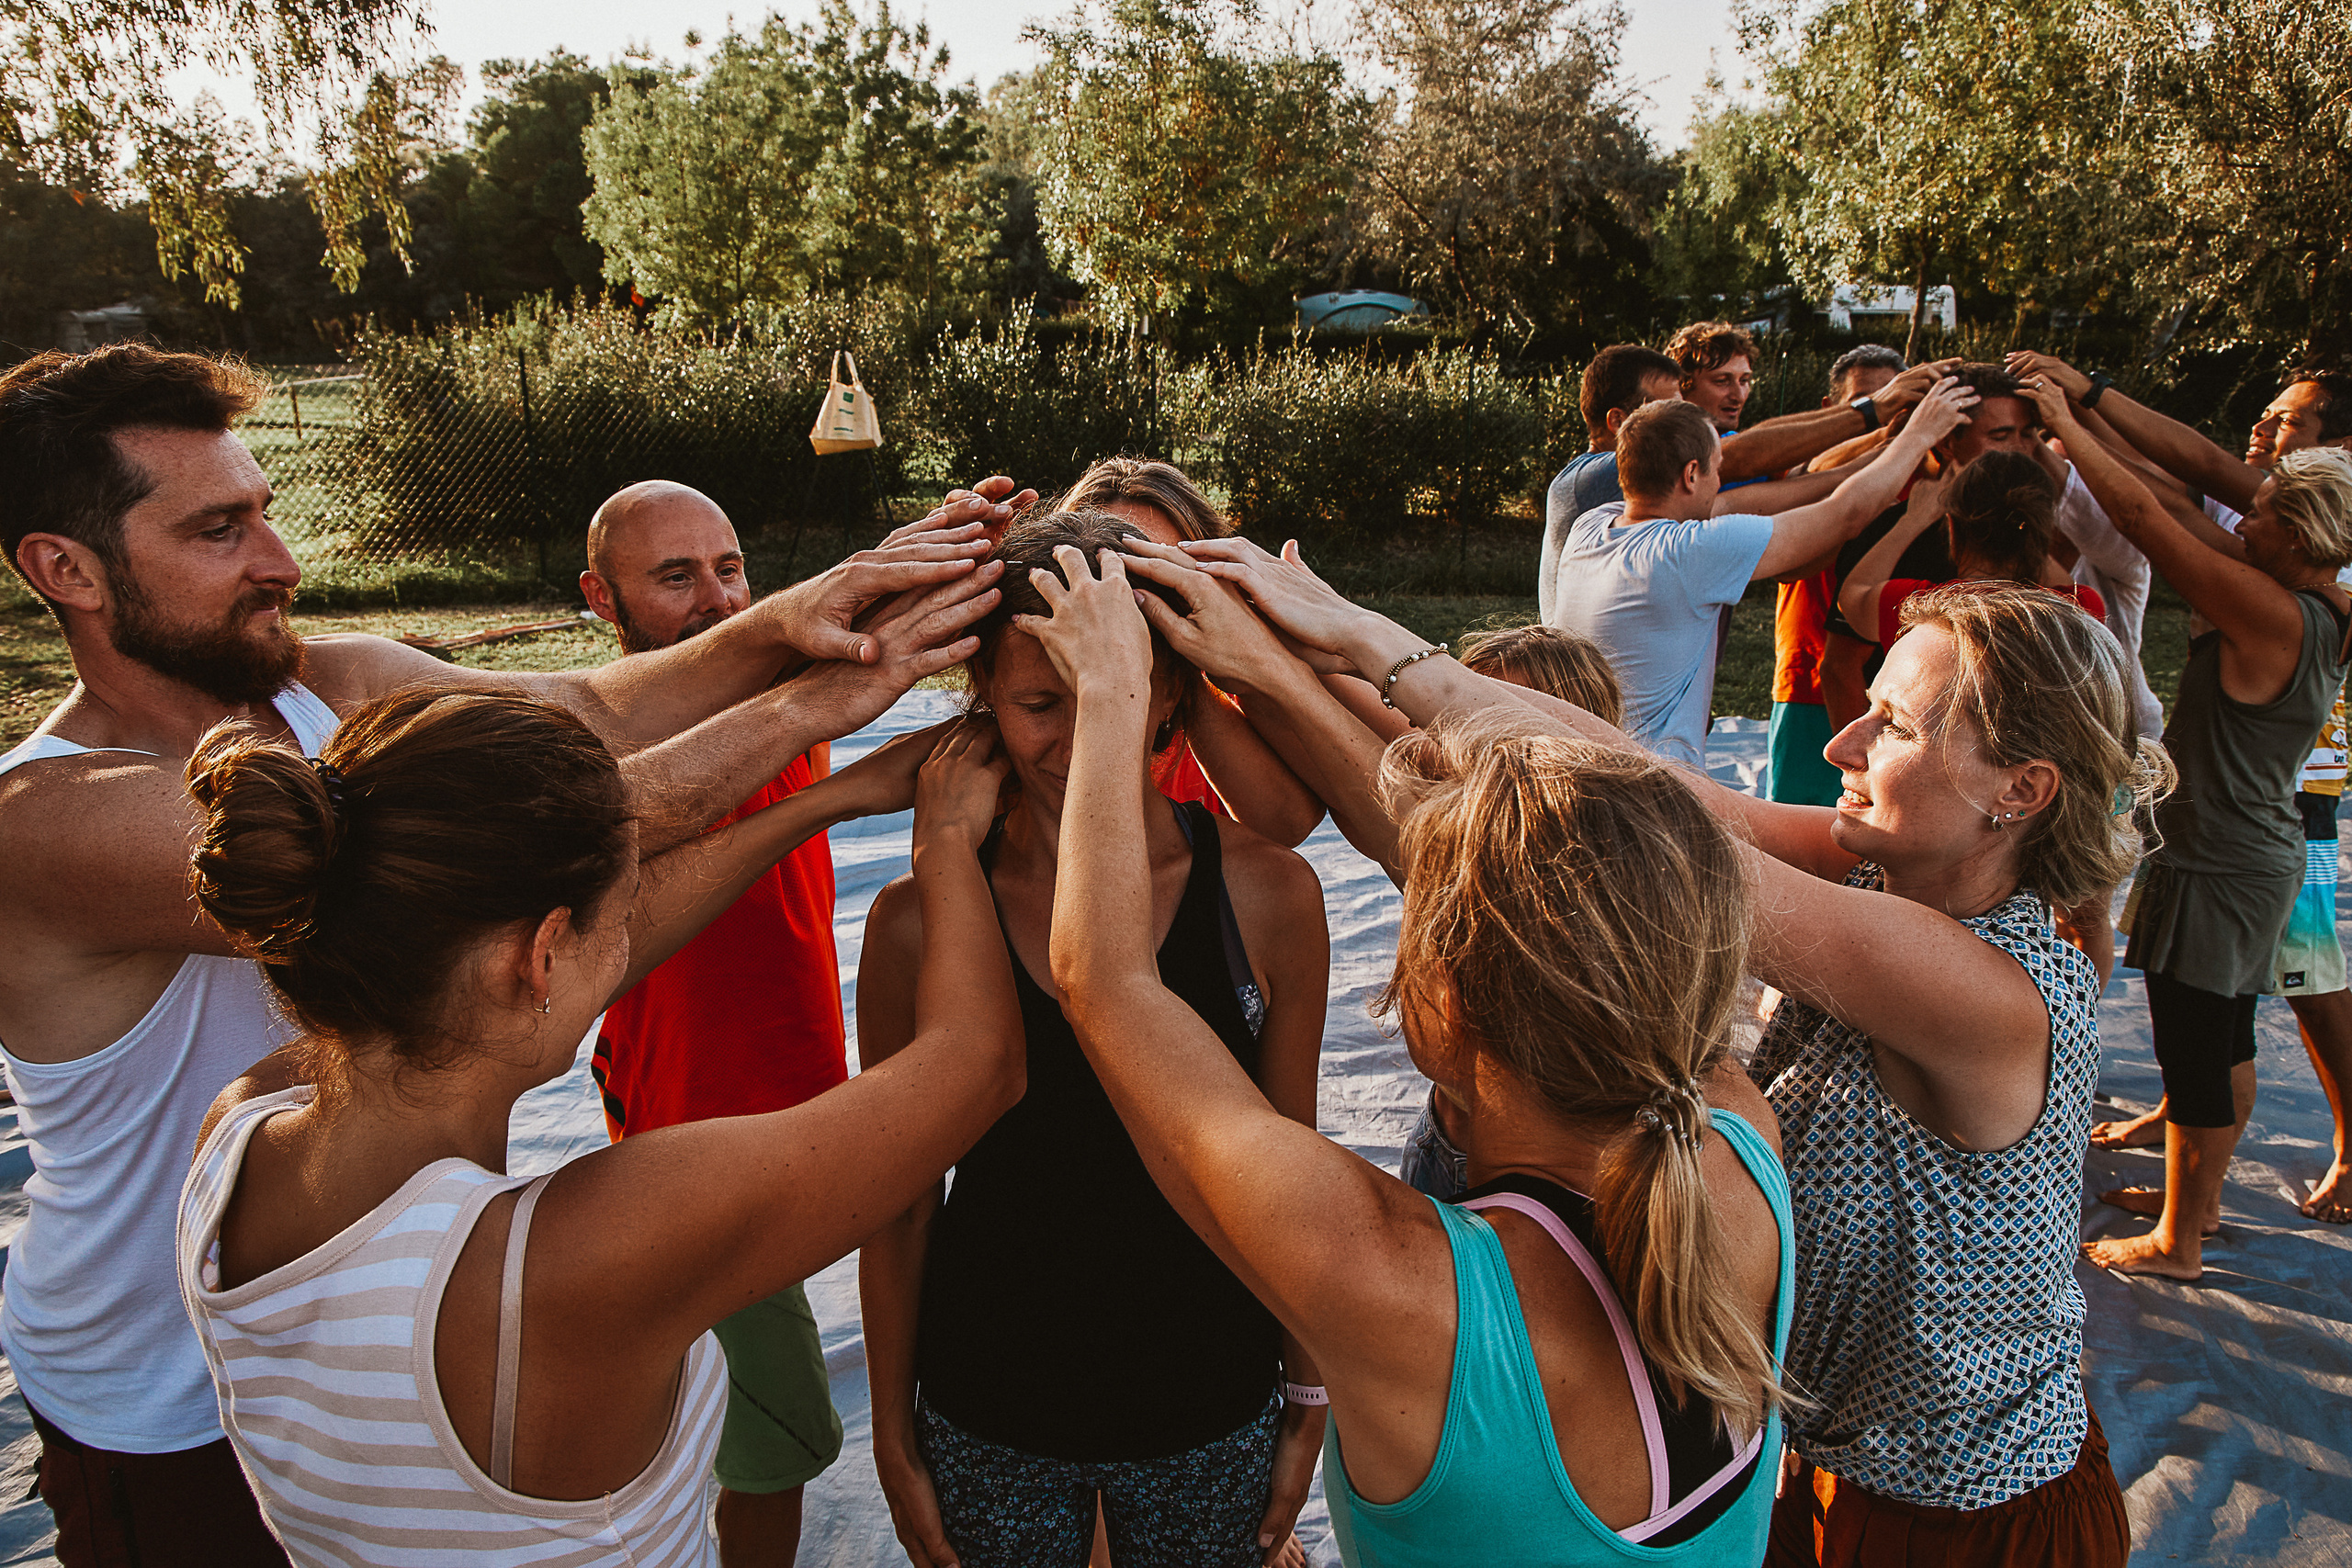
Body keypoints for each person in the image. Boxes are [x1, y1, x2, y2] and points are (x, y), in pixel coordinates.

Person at [0, 343, 1007, 1565]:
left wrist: (807, 613)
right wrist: (808, 716)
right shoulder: (48, 821)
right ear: (65, 568)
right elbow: (533, 840)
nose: (283, 562)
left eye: (266, 511)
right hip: (168, 1390)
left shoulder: (336, 690)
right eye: (220, 531)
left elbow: (598, 709)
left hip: (348, 1274)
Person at [1154, 538, 2151, 1565]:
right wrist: (1338, 644)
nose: (1844, 742)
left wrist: (1309, 658)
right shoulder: (1879, 877)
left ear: (2021, 790)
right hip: (1829, 1463)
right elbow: (1641, 781)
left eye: (1893, 725)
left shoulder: (1992, 994)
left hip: (1959, 1521)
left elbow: (1648, 834)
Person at [1019, 541, 1796, 1565]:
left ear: (1439, 1006)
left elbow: (1105, 981)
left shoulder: (1398, 1285)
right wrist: (1275, 671)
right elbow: (1571, 888)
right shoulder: (1738, 1138)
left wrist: (1111, 693)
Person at [174, 685, 1025, 1566]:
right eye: (619, 918)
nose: (633, 932)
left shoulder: (238, 1130)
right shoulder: (573, 1257)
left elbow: (500, 980)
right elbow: (977, 1065)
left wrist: (829, 799)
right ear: (539, 955)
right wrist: (947, 842)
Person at [858, 511, 1332, 1568]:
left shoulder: (1265, 895)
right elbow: (895, 1201)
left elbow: (1296, 1161)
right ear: (981, 699)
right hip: (992, 1406)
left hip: (1209, 1396)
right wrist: (892, 1431)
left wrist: (1307, 1389)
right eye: (1035, 703)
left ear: (1164, 690)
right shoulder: (914, 921)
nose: (1074, 740)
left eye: (1098, 693)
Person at [576, 480, 851, 1565]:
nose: (717, 597)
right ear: (602, 597)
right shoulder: (599, 742)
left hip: (804, 1104)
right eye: (675, 576)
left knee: (727, 1412)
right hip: (695, 1130)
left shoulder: (790, 673)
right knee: (776, 1439)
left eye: (730, 567)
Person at [2012, 354, 2352, 1224]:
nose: (2247, 523)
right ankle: (2191, 1208)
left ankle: (2182, 1235)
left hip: (2226, 860)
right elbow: (2175, 495)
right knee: (2221, 1031)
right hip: (2231, 848)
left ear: (2304, 540)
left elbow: (2142, 518)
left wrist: (2072, 420)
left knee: (2201, 1040)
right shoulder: (2304, 599)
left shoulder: (2270, 611)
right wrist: (2082, 410)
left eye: (2266, 516)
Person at [1548, 382, 1976, 767]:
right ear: (1691, 474)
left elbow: (1736, 506)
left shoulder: (1594, 526)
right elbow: (1846, 515)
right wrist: (1921, 434)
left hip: (1580, 761)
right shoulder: (1688, 554)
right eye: (1717, 469)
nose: (1721, 482)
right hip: (1649, 783)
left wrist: (1857, 466)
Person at [1393, 624, 1623, 1201]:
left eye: (1492, 725)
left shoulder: (1605, 877)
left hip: (1559, 1169)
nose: (1462, 749)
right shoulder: (1450, 833)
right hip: (1451, 1137)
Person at [1055, 457, 1323, 846]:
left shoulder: (1219, 696)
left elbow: (1287, 824)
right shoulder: (1039, 695)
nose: (1139, 594)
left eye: (1167, 570)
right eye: (1109, 567)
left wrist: (1178, 667)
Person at [1815, 362, 2047, 730]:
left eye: (2029, 434)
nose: (2018, 450)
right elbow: (1841, 667)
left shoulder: (2041, 521)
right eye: (2001, 436)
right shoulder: (1897, 530)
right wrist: (1866, 771)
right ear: (1948, 440)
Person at [1768, 347, 1907, 807]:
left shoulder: (1917, 471)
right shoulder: (1808, 470)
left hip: (1888, 681)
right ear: (1834, 411)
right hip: (1809, 675)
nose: (1887, 414)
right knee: (1797, 826)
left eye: (1897, 401)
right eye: (1870, 402)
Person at [1837, 451, 2105, 649]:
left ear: (1951, 527)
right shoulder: (2079, 608)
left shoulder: (1920, 607)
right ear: (2042, 527)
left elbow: (1853, 595)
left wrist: (1912, 520)